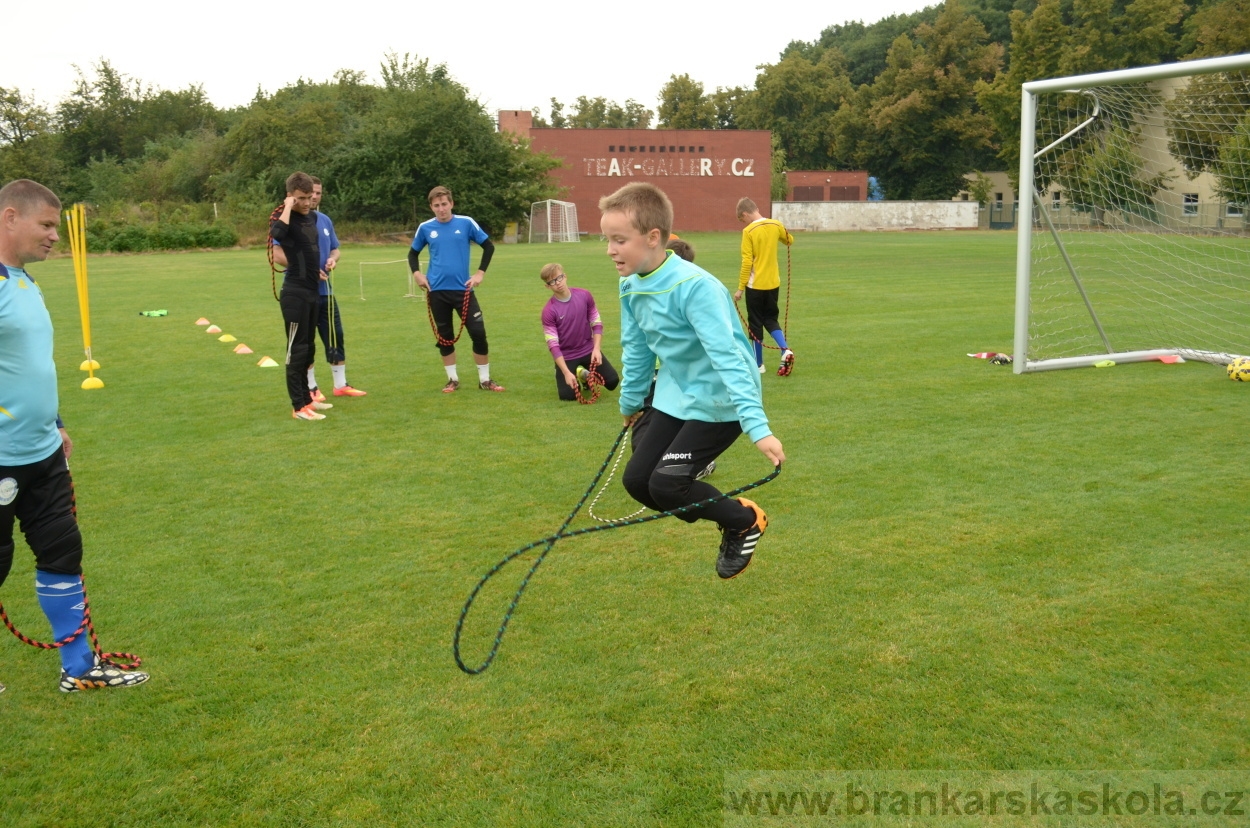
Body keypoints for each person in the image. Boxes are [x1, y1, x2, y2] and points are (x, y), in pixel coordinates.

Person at [0, 179, 150, 692]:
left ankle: (80, 668)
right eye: (45, 226)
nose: (52, 238)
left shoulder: (22, 279)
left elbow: (28, 366)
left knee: (62, 553)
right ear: (9, 218)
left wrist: (55, 421)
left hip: (43, 452)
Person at [604, 182, 785, 579]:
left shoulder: (696, 287)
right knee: (638, 482)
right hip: (675, 396)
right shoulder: (630, 283)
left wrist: (758, 427)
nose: (610, 250)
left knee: (668, 486)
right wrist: (630, 403)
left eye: (619, 240)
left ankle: (742, 521)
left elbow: (731, 359)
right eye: (608, 239)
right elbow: (636, 349)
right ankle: (731, 517)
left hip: (721, 404)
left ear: (653, 237)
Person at [271, 178, 366, 400]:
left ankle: (340, 384)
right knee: (304, 342)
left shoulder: (323, 220)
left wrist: (333, 260)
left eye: (318, 193)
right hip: (300, 289)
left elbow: (335, 250)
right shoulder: (290, 221)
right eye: (309, 194)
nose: (314, 198)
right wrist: (307, 270)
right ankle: (311, 388)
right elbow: (277, 254)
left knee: (335, 335)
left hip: (325, 292)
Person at [409, 186, 504, 393]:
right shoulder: (425, 228)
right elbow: (412, 254)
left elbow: (489, 246)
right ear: (431, 207)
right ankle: (452, 379)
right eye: (437, 205)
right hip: (437, 291)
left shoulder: (466, 223)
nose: (441, 209)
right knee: (444, 336)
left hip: (464, 290)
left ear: (451, 203)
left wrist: (480, 273)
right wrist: (417, 274)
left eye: (444, 204)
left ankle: (485, 380)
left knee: (478, 332)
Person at [271, 172, 334, 420]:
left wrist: (314, 271)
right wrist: (288, 207)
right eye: (301, 198)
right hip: (294, 293)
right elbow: (278, 233)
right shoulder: (282, 218)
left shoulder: (313, 217)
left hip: (311, 291)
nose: (307, 203)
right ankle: (298, 406)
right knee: (296, 351)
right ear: (290, 197)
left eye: (309, 197)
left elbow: (306, 252)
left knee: (308, 348)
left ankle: (308, 399)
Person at [539, 263, 620, 402]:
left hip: (588, 350)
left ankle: (584, 375)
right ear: (547, 286)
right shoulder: (549, 311)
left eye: (559, 278)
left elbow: (596, 322)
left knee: (612, 382)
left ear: (565, 276)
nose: (558, 283)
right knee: (567, 397)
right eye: (552, 282)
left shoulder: (584, 295)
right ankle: (579, 373)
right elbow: (553, 345)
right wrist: (566, 372)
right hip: (567, 356)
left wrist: (597, 349)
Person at [735, 197, 795, 376]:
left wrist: (740, 288)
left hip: (756, 285)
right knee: (771, 319)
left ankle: (758, 364)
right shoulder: (776, 225)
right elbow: (789, 240)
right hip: (773, 282)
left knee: (754, 324)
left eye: (741, 219)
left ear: (745, 214)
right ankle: (785, 350)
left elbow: (747, 261)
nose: (743, 223)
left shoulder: (749, 231)